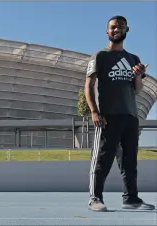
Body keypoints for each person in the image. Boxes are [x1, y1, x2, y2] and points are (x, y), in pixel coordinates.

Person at [84, 15, 155, 212]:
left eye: (120, 27)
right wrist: (94, 111)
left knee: (130, 162)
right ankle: (95, 198)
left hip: (130, 117)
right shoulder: (100, 56)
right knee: (102, 160)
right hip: (108, 117)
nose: (116, 30)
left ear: (126, 31)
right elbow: (89, 85)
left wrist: (138, 75)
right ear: (107, 32)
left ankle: (131, 199)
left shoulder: (133, 59)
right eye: (113, 27)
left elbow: (137, 90)